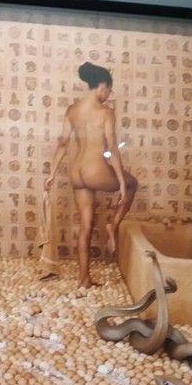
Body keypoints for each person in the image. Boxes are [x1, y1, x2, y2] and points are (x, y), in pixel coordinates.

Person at [44, 61, 138, 288]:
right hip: (95, 169)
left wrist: (52, 173)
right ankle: (112, 225)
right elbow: (112, 147)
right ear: (102, 85)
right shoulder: (105, 112)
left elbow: (63, 143)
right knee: (132, 183)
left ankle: (83, 279)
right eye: (109, 90)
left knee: (86, 226)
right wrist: (121, 182)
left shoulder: (72, 110)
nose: (108, 95)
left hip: (76, 173)